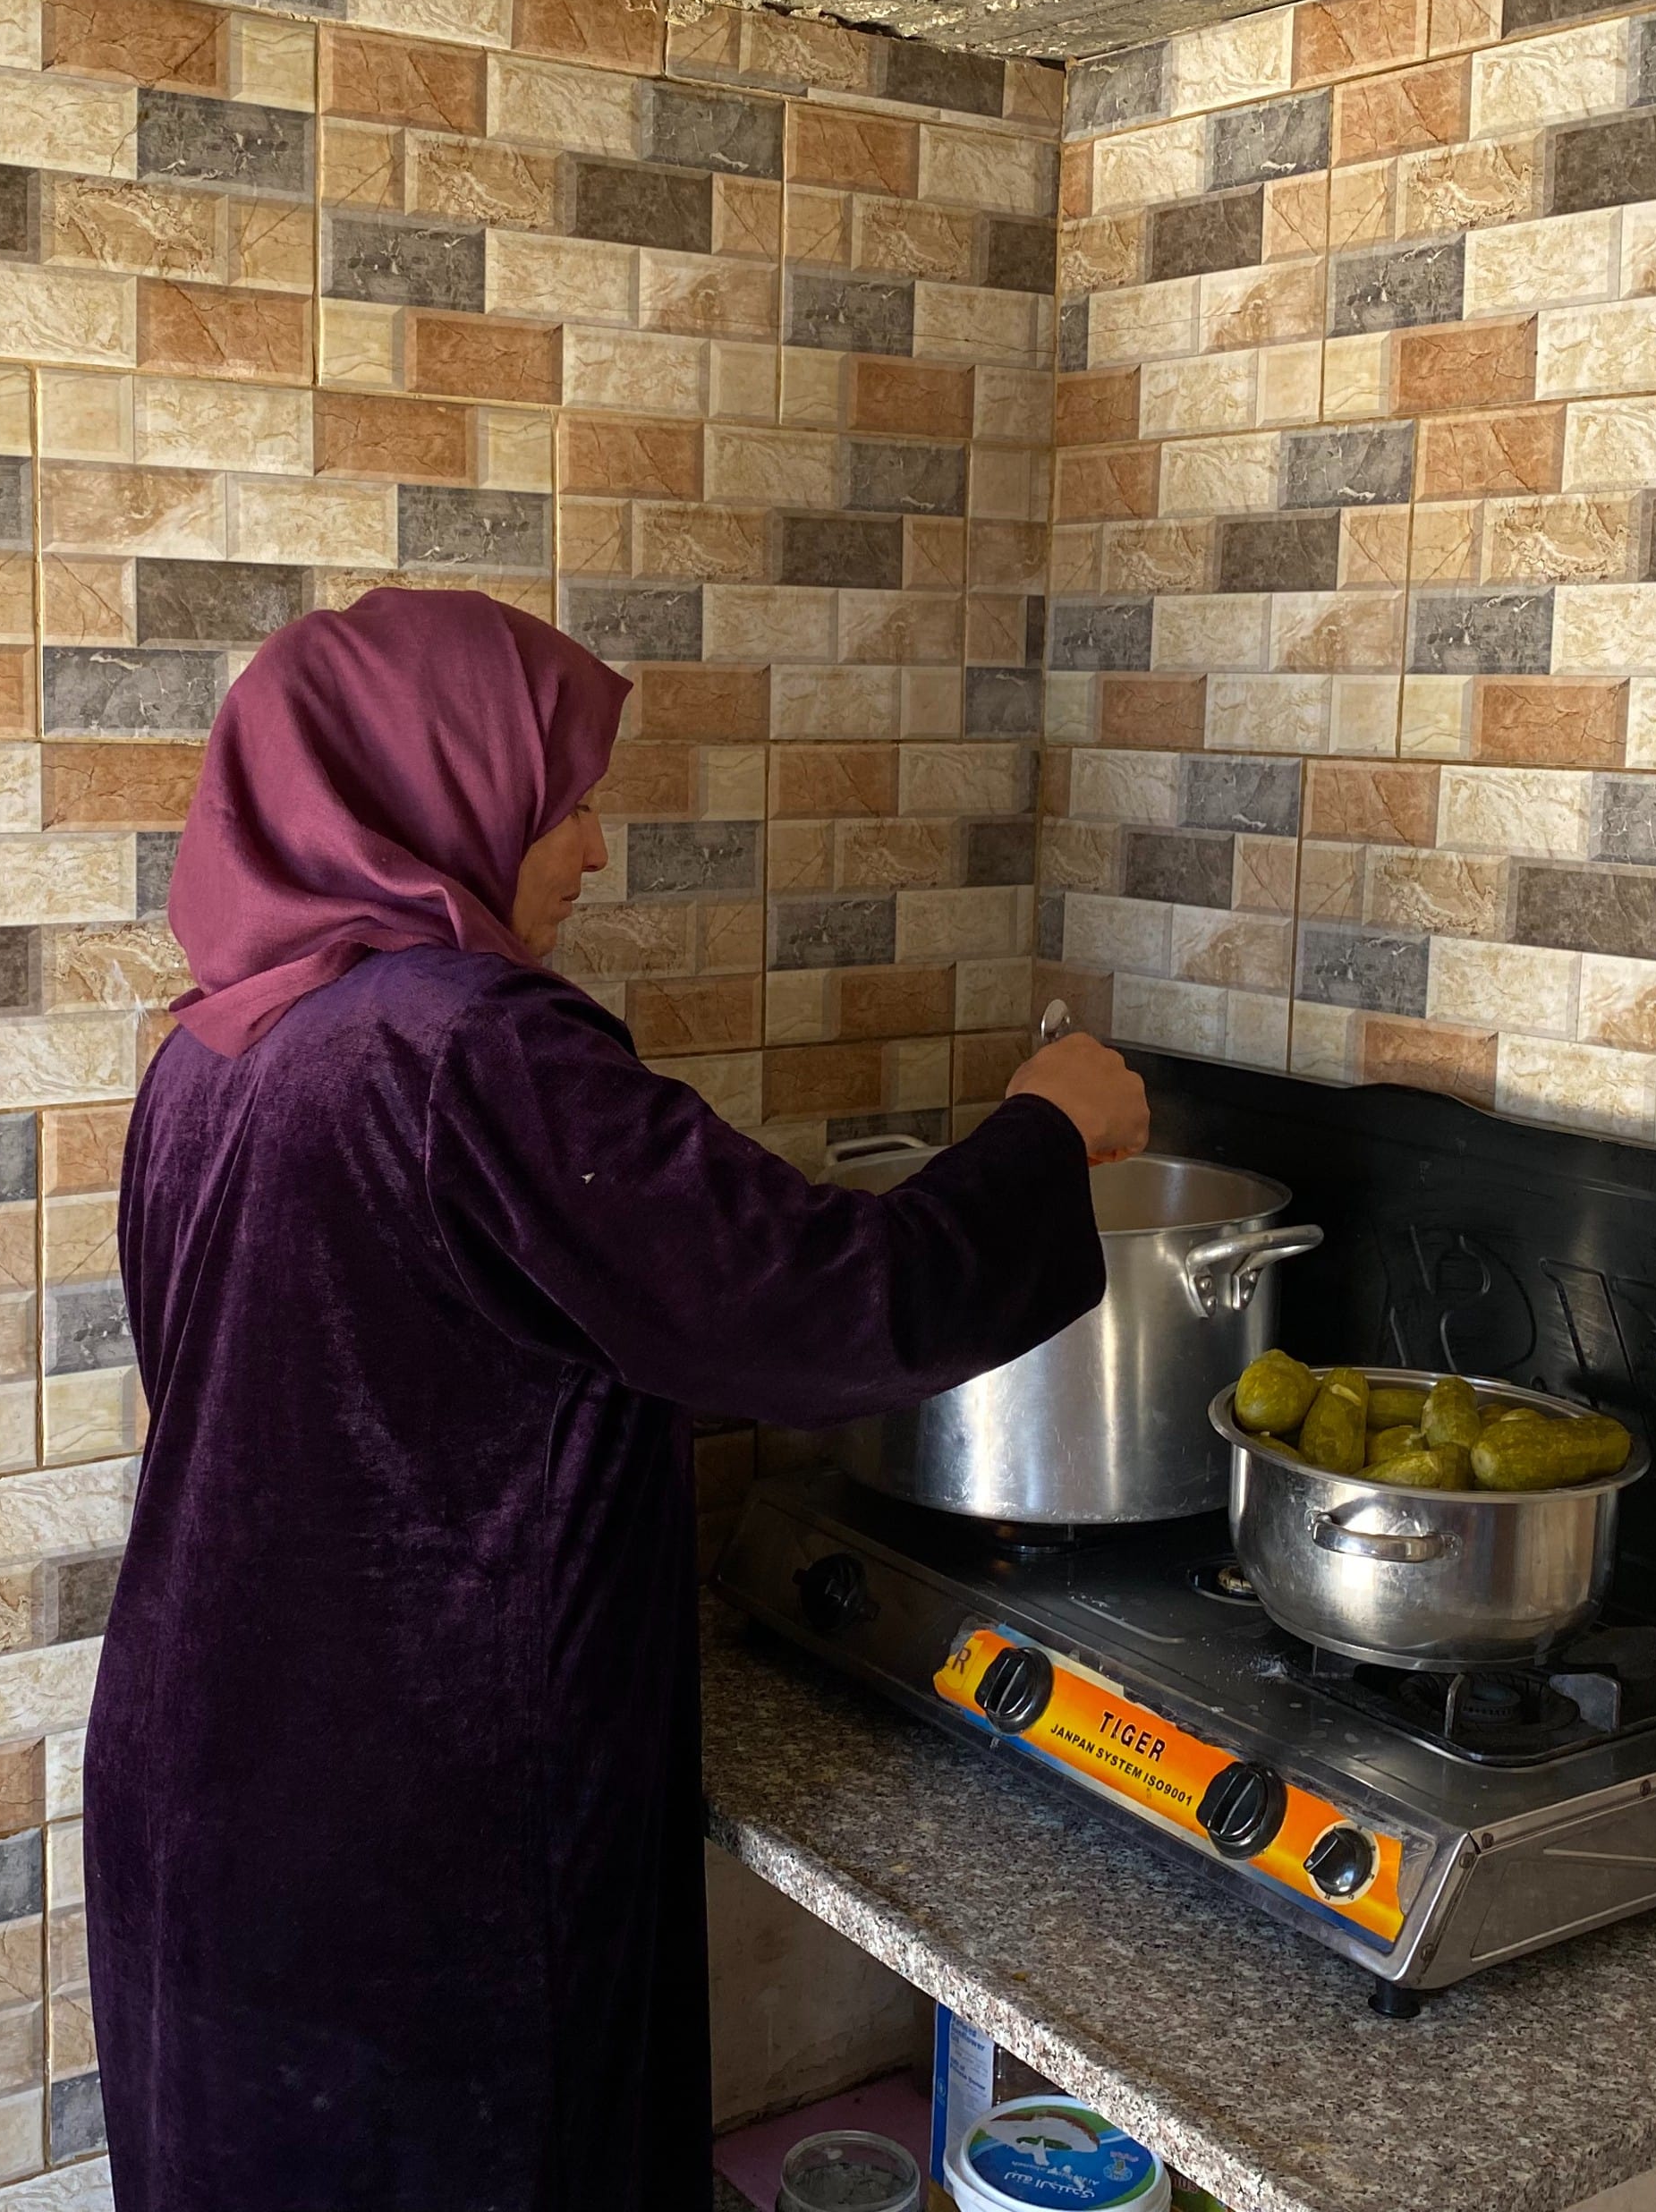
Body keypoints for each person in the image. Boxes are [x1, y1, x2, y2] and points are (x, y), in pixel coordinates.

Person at [89, 586, 1149, 2209]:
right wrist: (1046, 1132)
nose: (593, 849)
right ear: (434, 789)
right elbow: (823, 1306)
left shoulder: (211, 1058)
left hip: (205, 1775)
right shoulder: (461, 1050)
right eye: (569, 799)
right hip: (426, 1824)